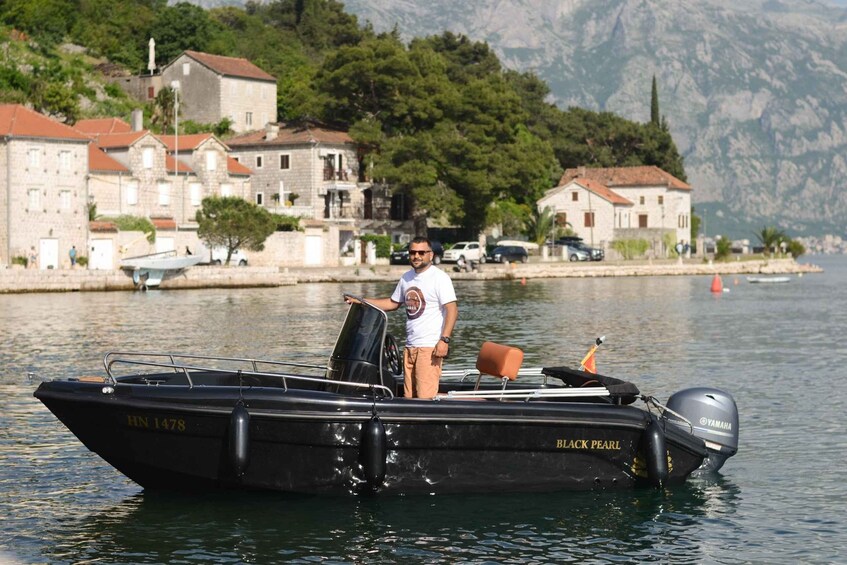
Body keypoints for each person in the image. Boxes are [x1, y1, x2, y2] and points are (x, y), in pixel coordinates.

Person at [346, 236, 458, 399]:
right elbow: (392, 303)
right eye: (413, 252)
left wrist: (444, 340)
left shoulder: (439, 278)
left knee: (424, 398)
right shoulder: (406, 278)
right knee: (409, 396)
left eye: (421, 252)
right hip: (410, 346)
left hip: (429, 347)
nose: (416, 256)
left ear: (430, 255)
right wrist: (362, 301)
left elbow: (452, 309)